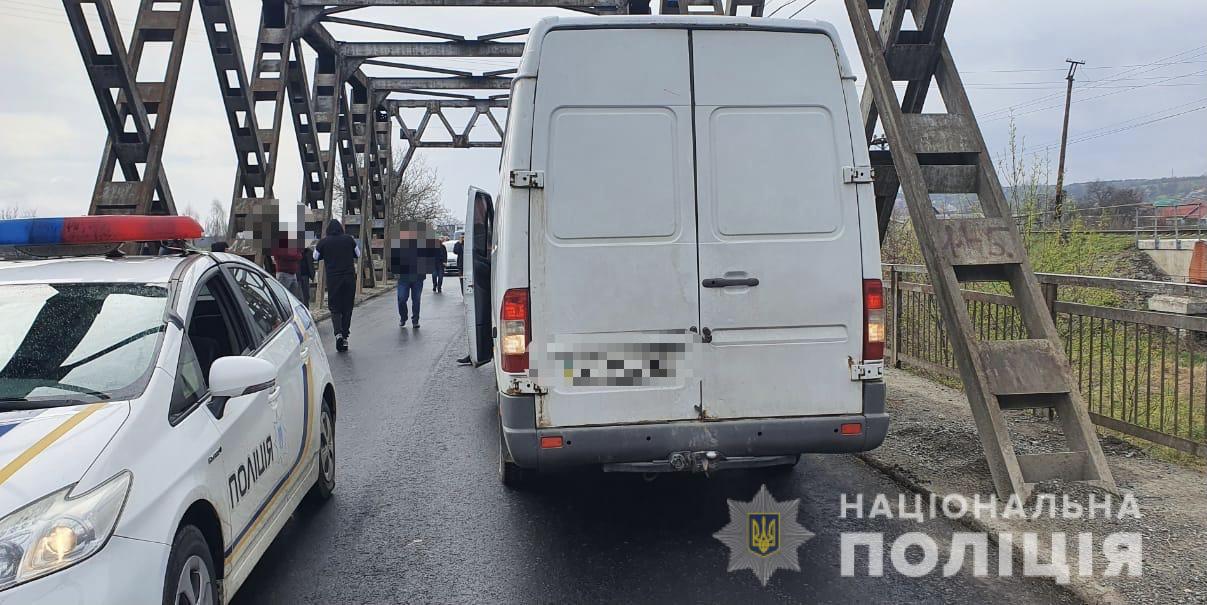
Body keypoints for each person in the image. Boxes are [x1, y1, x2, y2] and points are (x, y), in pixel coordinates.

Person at [314, 219, 359, 352]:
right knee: (347, 307)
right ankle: (345, 336)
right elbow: (358, 254)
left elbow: (315, 256)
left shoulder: (324, 241)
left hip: (333, 279)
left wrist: (325, 254)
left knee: (335, 308)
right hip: (349, 278)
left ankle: (338, 333)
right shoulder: (349, 239)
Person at [390, 222, 438, 329]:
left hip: (418, 277)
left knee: (416, 300)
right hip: (403, 277)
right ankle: (403, 317)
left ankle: (415, 320)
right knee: (402, 299)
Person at [270, 234, 304, 301]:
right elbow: (287, 255)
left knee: (293, 298)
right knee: (282, 298)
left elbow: (299, 254)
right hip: (284, 273)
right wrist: (296, 255)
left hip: (292, 273)